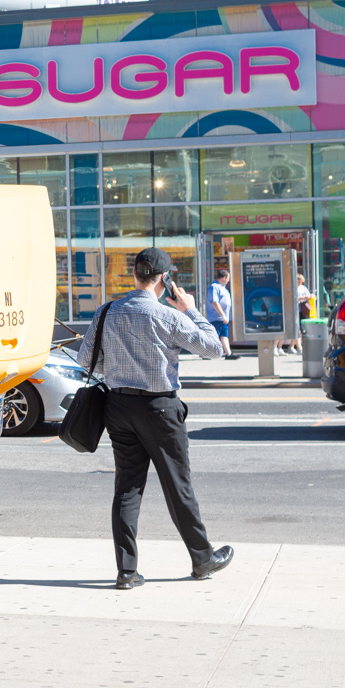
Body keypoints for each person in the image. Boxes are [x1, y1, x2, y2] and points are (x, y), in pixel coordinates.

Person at [79, 247, 235, 590]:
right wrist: (191, 308)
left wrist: (119, 369)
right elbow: (214, 347)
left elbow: (85, 358)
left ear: (135, 274)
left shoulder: (108, 311)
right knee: (178, 485)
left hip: (118, 406)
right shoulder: (169, 316)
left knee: (127, 488)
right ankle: (201, 557)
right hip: (160, 408)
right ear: (164, 279)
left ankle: (127, 572)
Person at [206, 267, 238, 360]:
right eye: (228, 278)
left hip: (223, 318)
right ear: (224, 278)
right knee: (214, 336)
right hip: (217, 318)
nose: (229, 280)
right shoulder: (214, 287)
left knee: (224, 336)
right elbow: (215, 302)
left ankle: (228, 354)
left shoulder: (222, 288)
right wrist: (223, 315)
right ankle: (207, 353)